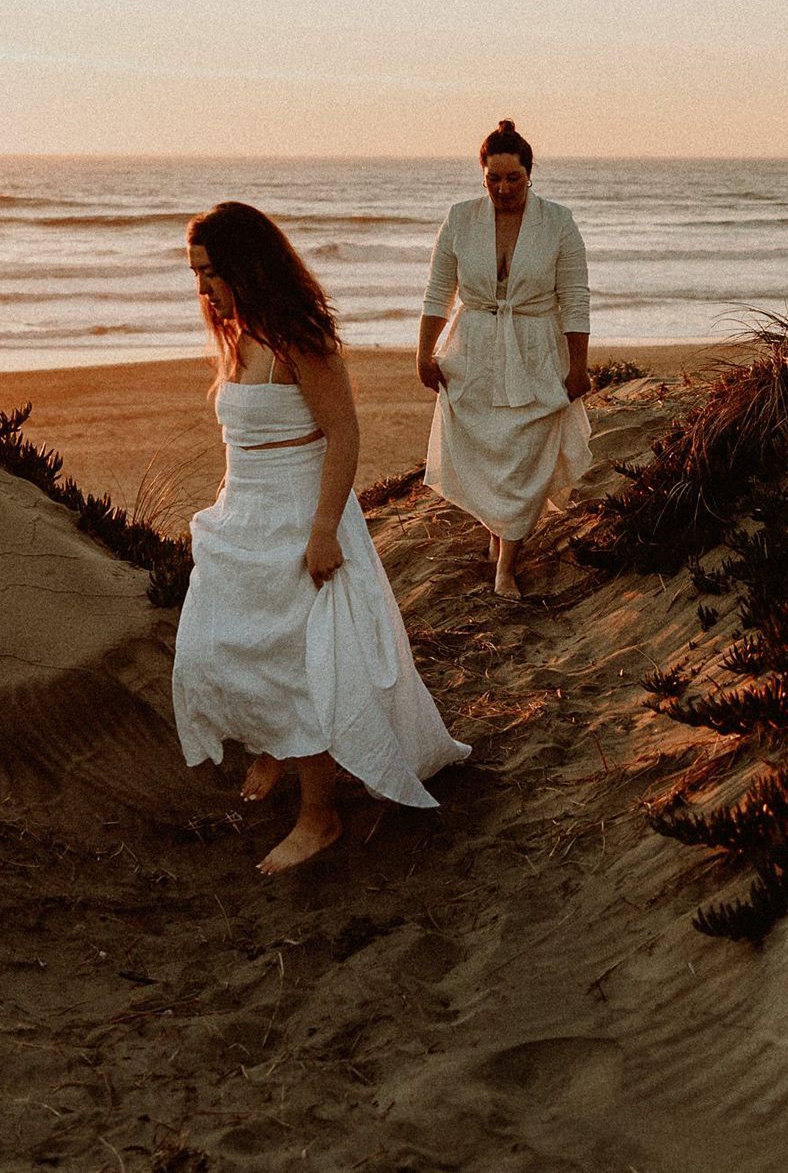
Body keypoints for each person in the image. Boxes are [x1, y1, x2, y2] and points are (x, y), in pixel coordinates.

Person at [173, 202, 472, 874]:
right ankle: (276, 745)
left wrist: (322, 530)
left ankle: (321, 816)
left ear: (247, 266)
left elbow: (344, 434)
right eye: (196, 275)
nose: (202, 290)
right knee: (214, 644)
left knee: (311, 667)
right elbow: (243, 440)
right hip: (243, 516)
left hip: (301, 519)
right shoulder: (234, 332)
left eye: (210, 273)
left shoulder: (298, 339)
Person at [416, 120, 593, 598]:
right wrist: (424, 352)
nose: (502, 188)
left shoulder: (558, 222)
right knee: (488, 449)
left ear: (530, 175)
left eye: (512, 178)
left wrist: (578, 366)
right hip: (472, 349)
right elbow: (438, 292)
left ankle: (505, 567)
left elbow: (575, 299)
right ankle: (498, 534)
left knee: (525, 451)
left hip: (536, 348)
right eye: (493, 179)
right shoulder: (459, 218)